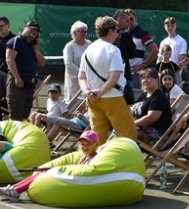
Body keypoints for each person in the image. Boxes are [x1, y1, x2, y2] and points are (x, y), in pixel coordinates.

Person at [78, 15, 138, 144]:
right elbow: (114, 77)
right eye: (117, 30)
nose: (118, 33)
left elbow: (81, 77)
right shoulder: (113, 50)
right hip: (113, 98)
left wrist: (87, 91)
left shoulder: (88, 50)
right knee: (128, 136)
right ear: (110, 31)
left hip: (93, 100)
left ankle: (97, 157)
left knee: (97, 137)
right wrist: (101, 92)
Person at [0, 130, 100, 202]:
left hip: (77, 185)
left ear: (96, 144)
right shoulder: (83, 157)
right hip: (73, 180)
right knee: (41, 172)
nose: (85, 147)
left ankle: (15, 191)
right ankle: (14, 188)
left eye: (88, 144)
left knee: (45, 173)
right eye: (83, 144)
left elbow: (87, 172)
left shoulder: (96, 158)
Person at [5, 20, 46, 121]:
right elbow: (9, 59)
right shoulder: (16, 41)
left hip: (29, 84)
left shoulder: (32, 46)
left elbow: (42, 63)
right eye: (31, 30)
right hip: (17, 82)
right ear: (24, 29)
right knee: (15, 115)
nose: (33, 33)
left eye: (36, 32)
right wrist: (17, 78)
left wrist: (36, 49)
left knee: (24, 115)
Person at [132, 68, 173, 145]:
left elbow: (151, 118)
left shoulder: (159, 97)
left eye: (148, 77)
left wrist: (131, 123)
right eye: (143, 78)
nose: (145, 80)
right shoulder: (143, 94)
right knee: (119, 126)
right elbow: (132, 110)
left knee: (124, 130)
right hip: (140, 128)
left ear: (157, 80)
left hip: (156, 134)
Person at [62, 21, 91, 99]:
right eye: (81, 31)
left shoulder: (89, 44)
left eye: (85, 31)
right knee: (74, 102)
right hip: (74, 81)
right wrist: (82, 74)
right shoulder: (69, 46)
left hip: (88, 80)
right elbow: (69, 64)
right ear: (74, 33)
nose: (83, 33)